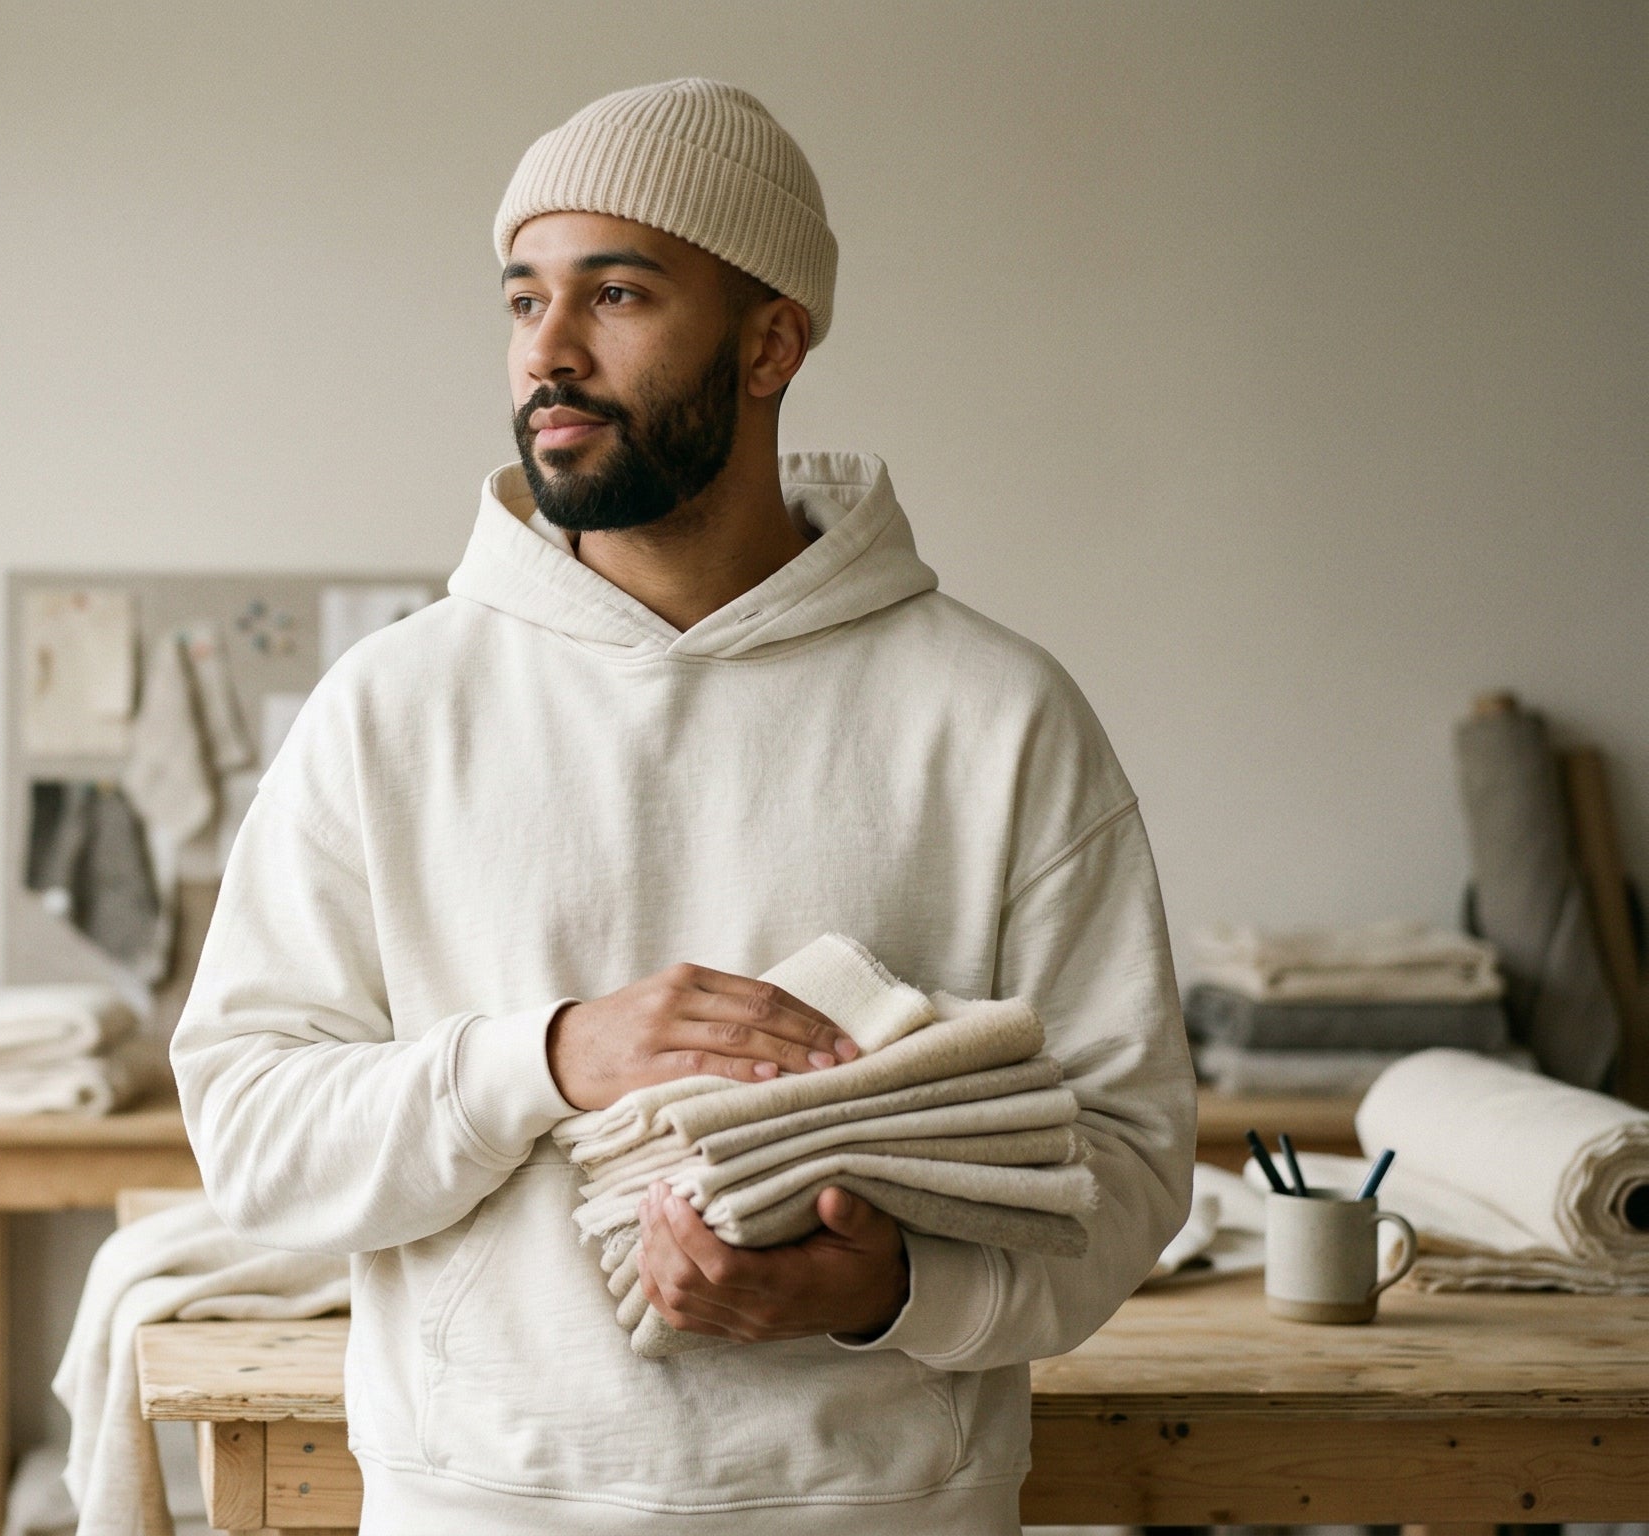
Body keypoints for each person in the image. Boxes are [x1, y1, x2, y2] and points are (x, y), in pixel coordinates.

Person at [170, 78, 1195, 1533]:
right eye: (524, 301)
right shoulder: (390, 711)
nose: (552, 353)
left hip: (882, 1512)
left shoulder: (997, 717)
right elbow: (253, 1134)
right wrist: (551, 1055)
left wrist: (892, 1288)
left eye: (621, 294)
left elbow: (1132, 1160)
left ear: (771, 341)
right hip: (485, 1506)